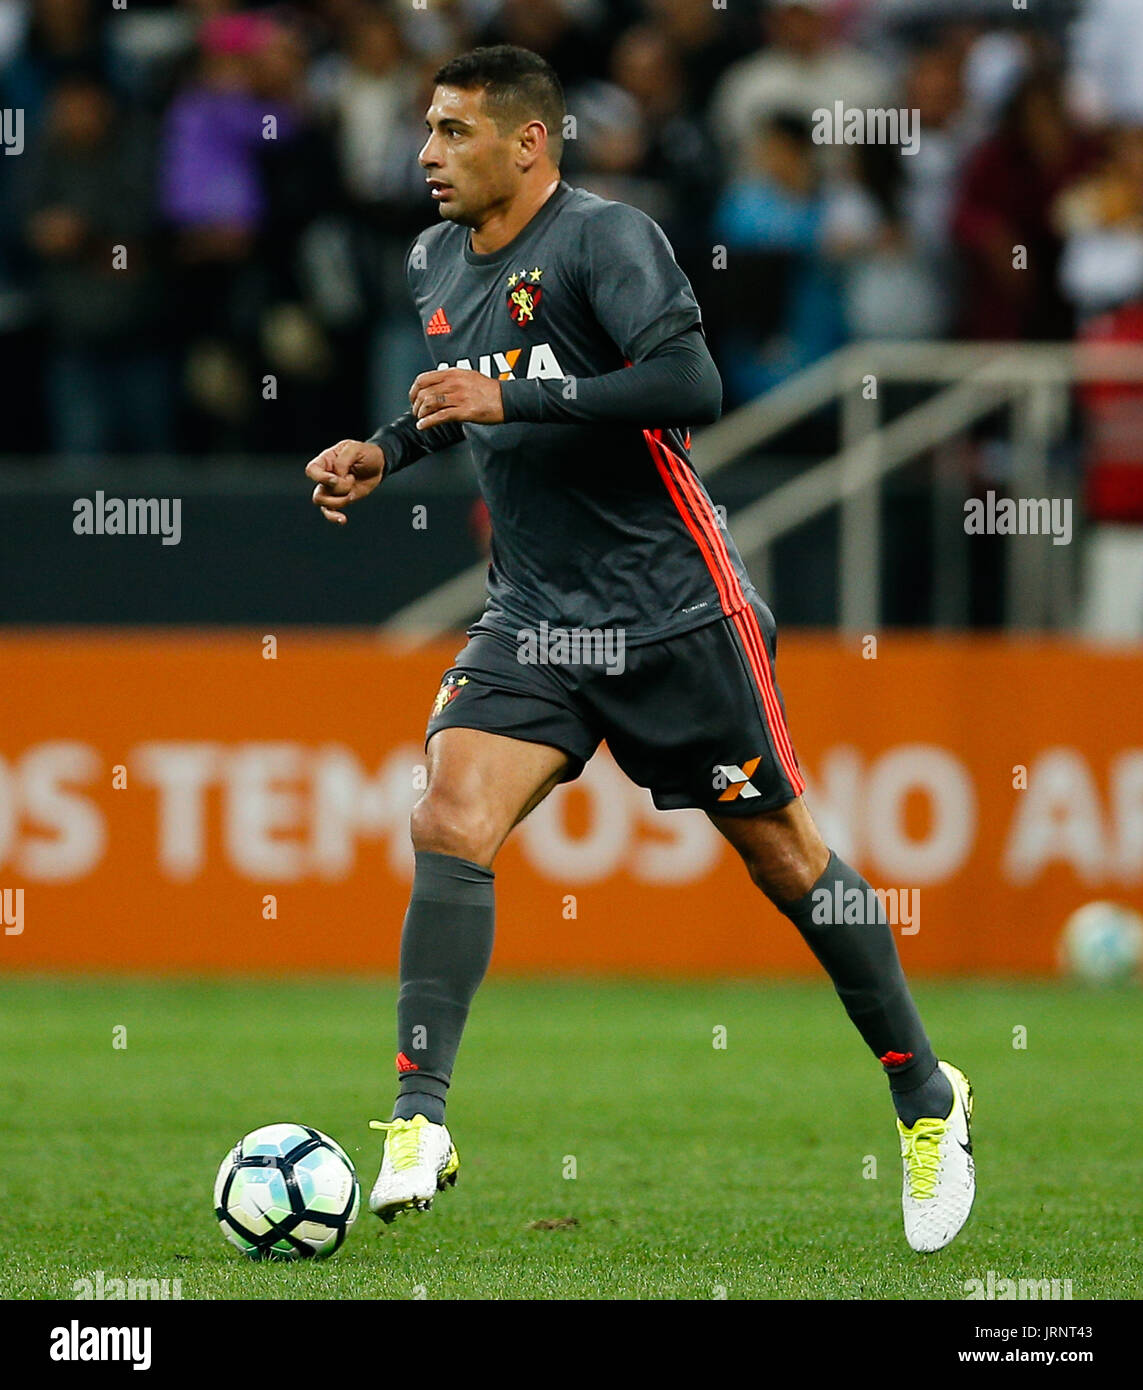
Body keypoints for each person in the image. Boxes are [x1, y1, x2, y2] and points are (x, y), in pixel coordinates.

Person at [304, 44, 975, 1254]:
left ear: (529, 142)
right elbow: (469, 388)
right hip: (535, 614)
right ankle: (418, 1117)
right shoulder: (431, 258)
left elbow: (690, 382)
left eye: (454, 131)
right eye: (428, 128)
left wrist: (520, 403)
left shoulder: (607, 239)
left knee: (785, 861)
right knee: (450, 816)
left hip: (675, 608)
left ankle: (928, 1097)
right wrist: (386, 450)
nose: (427, 153)